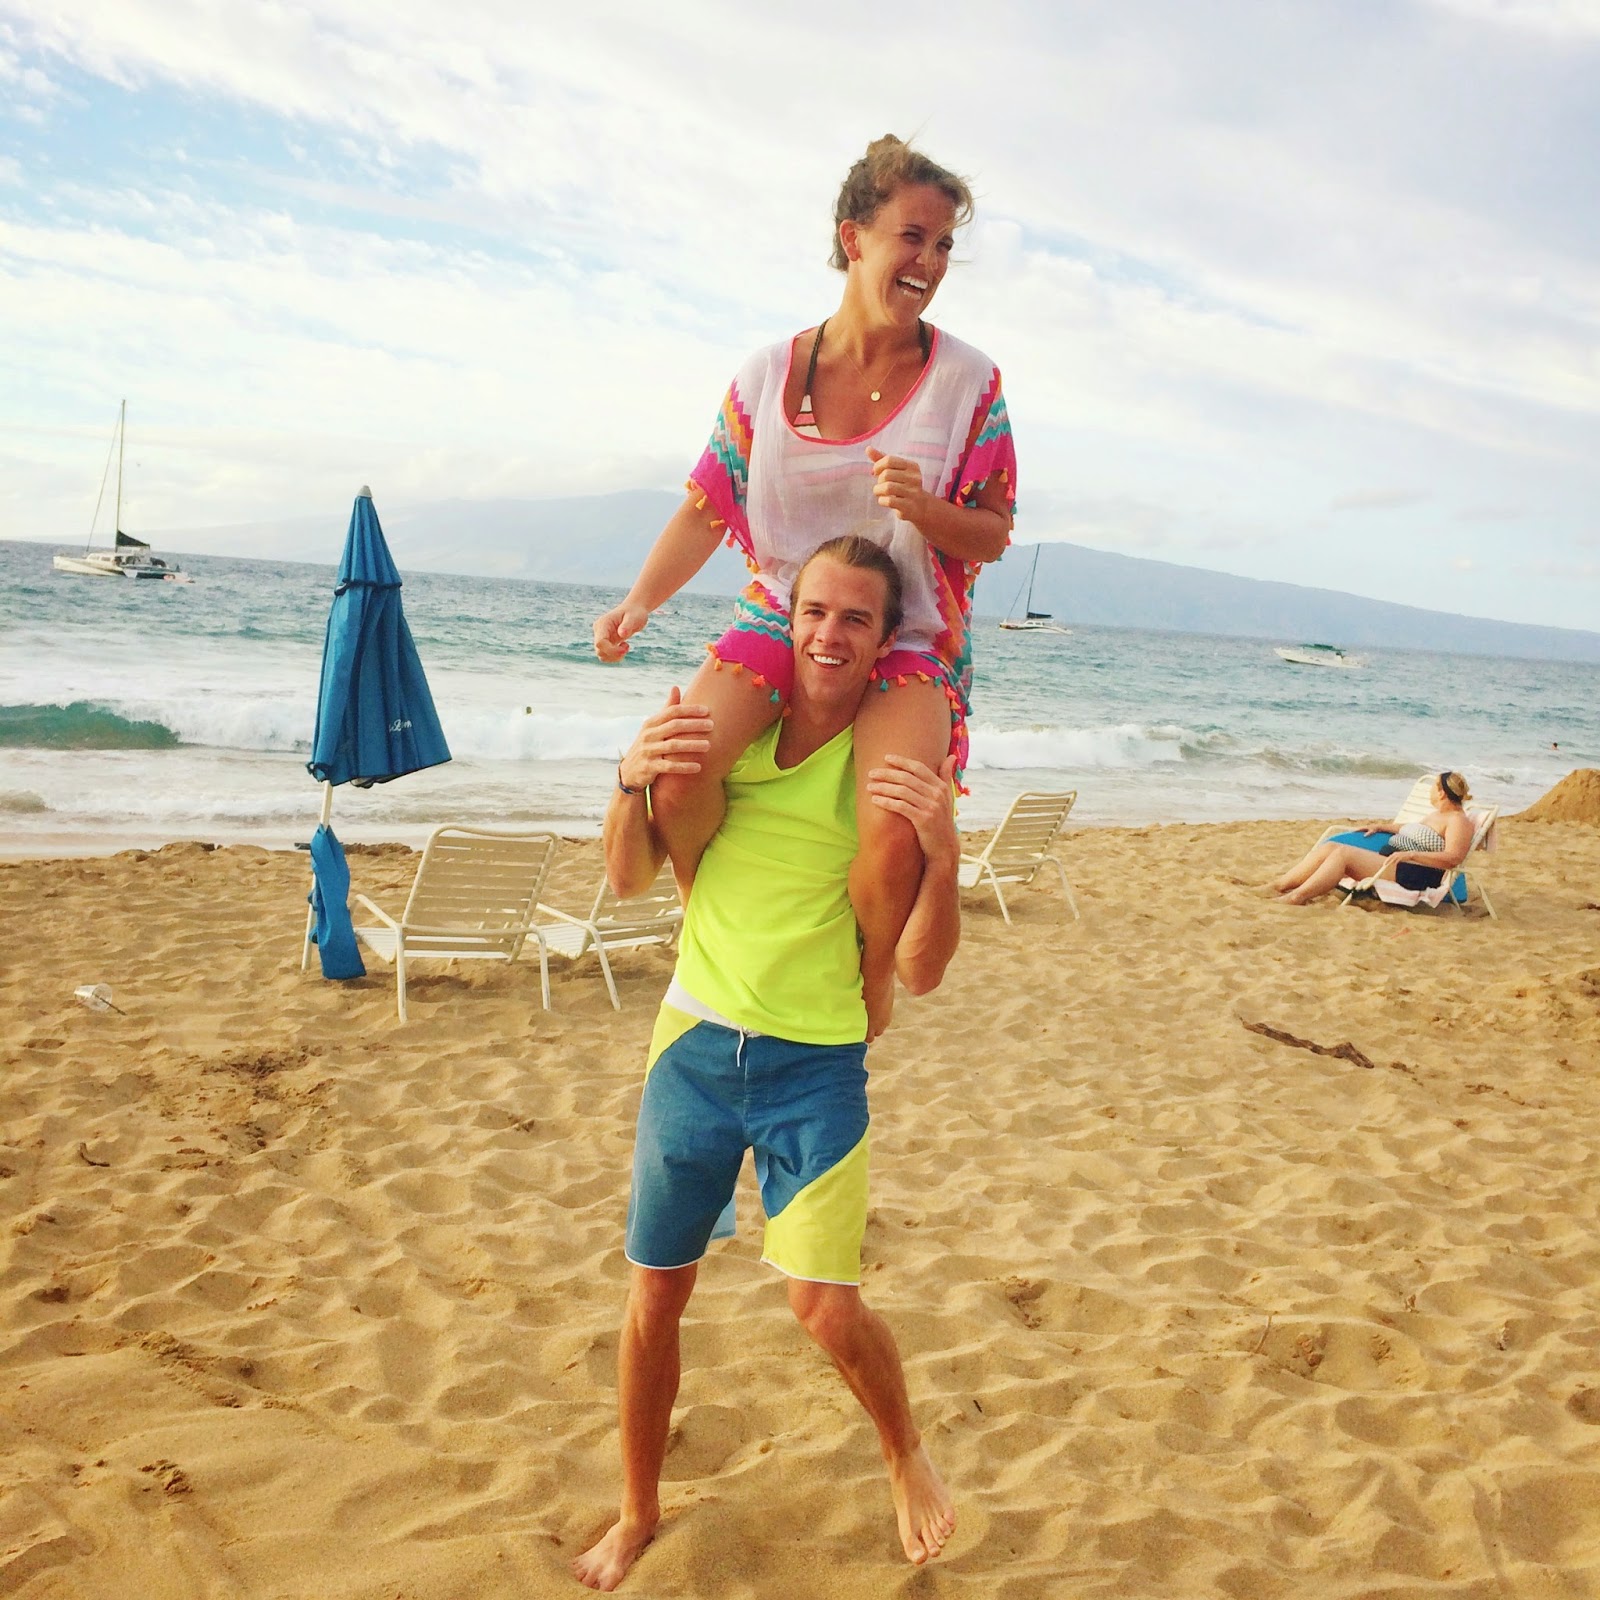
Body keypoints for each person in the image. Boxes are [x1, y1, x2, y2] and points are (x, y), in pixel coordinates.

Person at [573, 537, 962, 1592]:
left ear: (883, 642)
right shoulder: (729, 753)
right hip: (694, 1049)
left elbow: (924, 969)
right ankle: (638, 1512)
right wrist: (630, 775)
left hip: (816, 1065)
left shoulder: (881, 783)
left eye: (855, 619)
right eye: (815, 612)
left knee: (824, 1307)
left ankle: (904, 1453)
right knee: (655, 1297)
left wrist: (944, 854)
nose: (830, 634)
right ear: (786, 624)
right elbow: (625, 878)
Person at [592, 133, 1014, 1042]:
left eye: (944, 245)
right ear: (853, 238)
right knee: (680, 774)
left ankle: (871, 976)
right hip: (783, 611)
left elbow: (993, 531)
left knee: (893, 828)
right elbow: (706, 508)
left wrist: (926, 511)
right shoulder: (766, 376)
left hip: (909, 631)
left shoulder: (971, 382)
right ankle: (704, 914)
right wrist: (639, 603)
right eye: (912, 237)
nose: (930, 262)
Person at [1269, 771, 1476, 905]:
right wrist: (1380, 826)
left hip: (1417, 873)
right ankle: (1279, 885)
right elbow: (1408, 829)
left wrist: (1411, 854)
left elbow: (1453, 858)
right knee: (1332, 846)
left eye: (1432, 788)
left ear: (1441, 793)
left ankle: (1297, 896)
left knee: (1343, 854)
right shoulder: (1437, 815)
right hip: (1399, 864)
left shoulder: (1458, 821)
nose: (1430, 792)